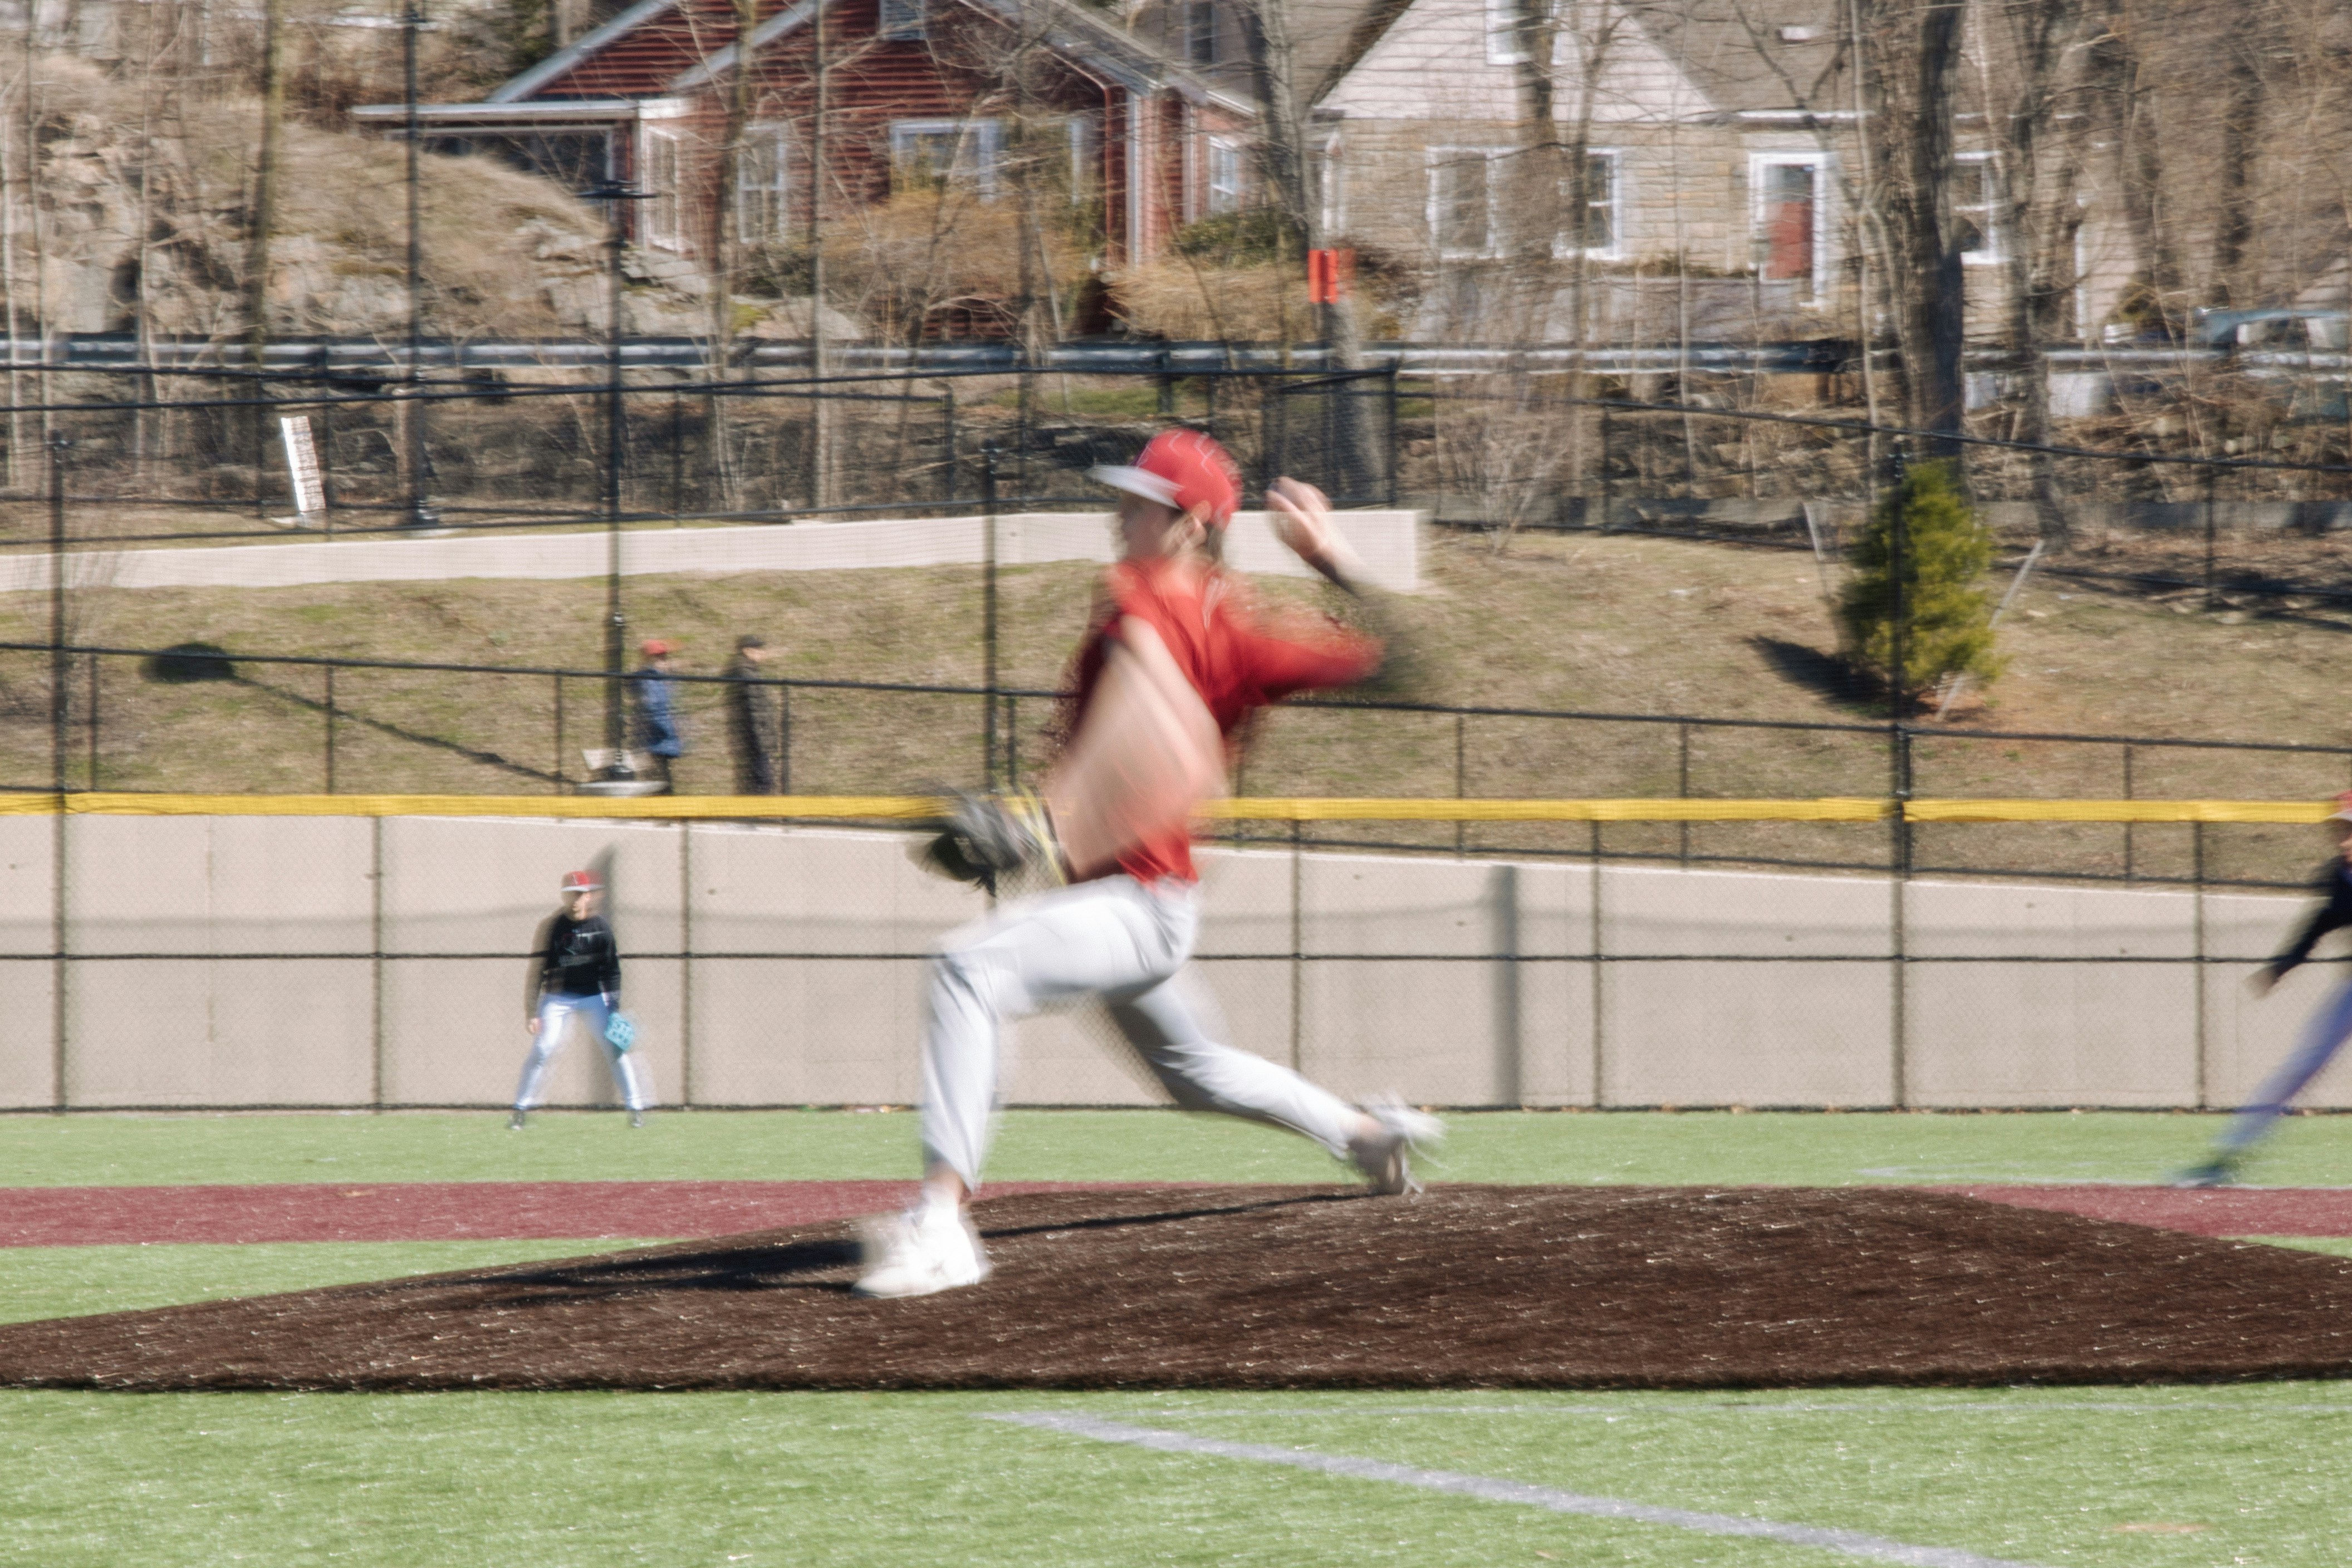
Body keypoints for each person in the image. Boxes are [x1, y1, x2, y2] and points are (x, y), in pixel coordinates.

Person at [853, 428, 1442, 1300]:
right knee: (1197, 1074)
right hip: (1124, 905)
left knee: (965, 973)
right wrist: (1047, 819)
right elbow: (1141, 719)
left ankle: (942, 1225)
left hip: (1138, 907)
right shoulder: (1203, 623)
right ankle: (1364, 1135)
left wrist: (1331, 557)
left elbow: (1404, 670)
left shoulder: (1168, 612)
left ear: (1193, 523)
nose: (1121, 514)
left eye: (1144, 503)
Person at [2175, 793, 2352, 1186]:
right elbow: (2320, 923)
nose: (2345, 838)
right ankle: (2225, 1158)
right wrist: (2282, 966)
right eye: (2341, 828)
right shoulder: (2338, 876)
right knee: (2302, 1065)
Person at [509, 869, 653, 1129]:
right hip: (558, 996)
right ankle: (521, 1110)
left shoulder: (601, 928)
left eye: (580, 894)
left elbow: (612, 971)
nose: (575, 899)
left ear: (589, 897)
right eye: (570, 894)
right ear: (564, 897)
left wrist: (614, 1009)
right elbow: (538, 971)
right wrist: (532, 1011)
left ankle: (636, 1109)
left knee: (616, 1047)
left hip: (593, 996)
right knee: (543, 1049)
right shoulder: (553, 928)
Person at [726, 633, 782, 795]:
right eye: (759, 649)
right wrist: (763, 735)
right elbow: (755, 708)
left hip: (758, 733)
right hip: (756, 734)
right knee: (762, 777)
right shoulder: (746, 673)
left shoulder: (749, 671)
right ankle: (758, 813)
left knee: (760, 775)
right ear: (747, 651)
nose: (762, 653)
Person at [632, 639, 686, 789]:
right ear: (649, 659)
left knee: (662, 781)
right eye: (658, 658)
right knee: (659, 784)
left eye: (664, 657)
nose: (663, 661)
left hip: (662, 739)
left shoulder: (662, 678)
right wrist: (671, 730)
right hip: (655, 739)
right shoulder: (649, 679)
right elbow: (654, 708)